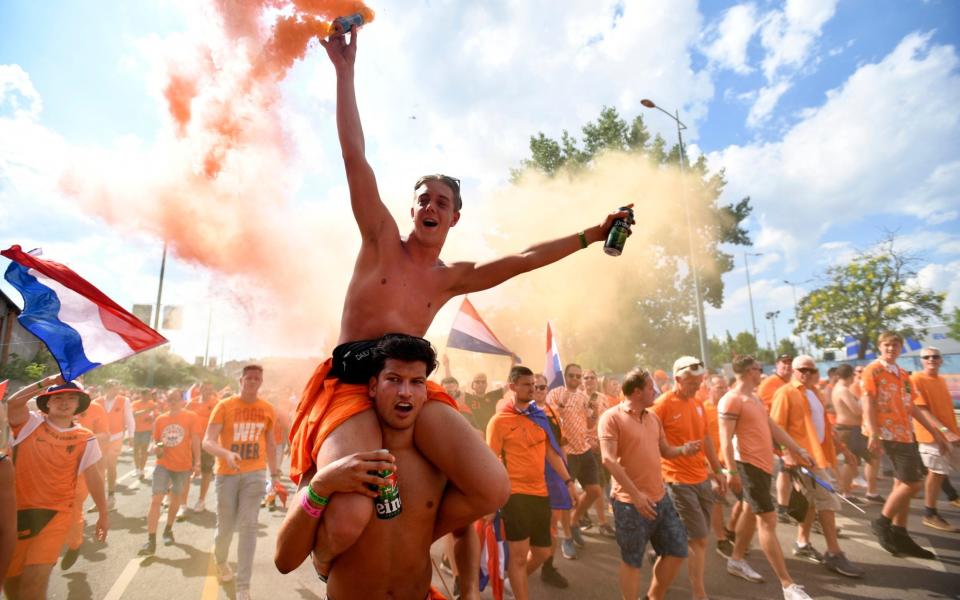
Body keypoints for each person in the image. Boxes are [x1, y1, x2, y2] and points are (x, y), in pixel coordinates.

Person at [287, 27, 632, 597]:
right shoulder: (378, 239)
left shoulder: (453, 277)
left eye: (441, 202)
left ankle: (416, 532)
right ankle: (325, 559)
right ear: (412, 208)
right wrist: (344, 72)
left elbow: (522, 259)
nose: (429, 205)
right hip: (352, 383)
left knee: (491, 486)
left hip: (413, 385)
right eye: (422, 198)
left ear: (453, 220)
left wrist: (592, 235)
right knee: (349, 519)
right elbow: (355, 158)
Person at [278, 334, 471, 599]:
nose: (405, 392)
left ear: (427, 392)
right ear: (372, 387)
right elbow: (284, 561)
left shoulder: (437, 460)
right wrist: (321, 486)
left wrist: (470, 592)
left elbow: (464, 531)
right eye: (393, 380)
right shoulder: (335, 454)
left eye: (416, 382)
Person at [599, 367, 702, 600]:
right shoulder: (611, 417)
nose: (654, 390)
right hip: (629, 503)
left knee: (677, 551)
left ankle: (653, 596)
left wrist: (684, 450)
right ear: (636, 392)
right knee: (632, 560)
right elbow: (607, 459)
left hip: (659, 498)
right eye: (649, 387)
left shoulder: (653, 417)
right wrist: (636, 495)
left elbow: (665, 450)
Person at [717, 356, 815, 600]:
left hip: (762, 467)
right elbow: (725, 440)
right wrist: (730, 471)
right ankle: (787, 585)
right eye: (760, 369)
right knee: (768, 521)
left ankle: (736, 560)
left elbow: (772, 427)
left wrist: (797, 449)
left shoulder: (754, 398)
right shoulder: (731, 399)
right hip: (748, 467)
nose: (763, 373)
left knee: (751, 512)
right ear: (751, 371)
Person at [3, 377, 109, 600]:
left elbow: (94, 477)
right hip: (15, 514)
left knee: (34, 582)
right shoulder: (29, 423)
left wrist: (103, 513)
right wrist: (50, 380)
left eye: (71, 397)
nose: (64, 402)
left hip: (56, 514)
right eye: (58, 397)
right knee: (13, 584)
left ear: (79, 404)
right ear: (47, 403)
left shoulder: (86, 438)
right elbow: (13, 403)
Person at [487, 366, 578, 600]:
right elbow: (490, 462)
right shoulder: (499, 421)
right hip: (514, 494)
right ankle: (520, 592)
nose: (532, 389)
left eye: (535, 385)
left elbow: (552, 453)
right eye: (526, 384)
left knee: (542, 551)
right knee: (518, 556)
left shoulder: (539, 417)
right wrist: (489, 501)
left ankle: (511, 581)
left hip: (540, 492)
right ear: (512, 387)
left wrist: (568, 482)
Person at [770, 356, 864, 577]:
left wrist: (843, 449)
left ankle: (802, 543)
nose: (807, 373)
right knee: (828, 501)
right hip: (802, 458)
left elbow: (825, 426)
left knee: (812, 503)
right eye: (802, 369)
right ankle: (834, 553)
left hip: (817, 456)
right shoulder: (785, 392)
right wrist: (786, 454)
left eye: (811, 370)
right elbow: (774, 427)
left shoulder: (814, 393)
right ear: (794, 371)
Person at [864, 332, 951, 558]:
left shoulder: (903, 375)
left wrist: (937, 434)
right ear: (879, 347)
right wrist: (873, 432)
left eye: (895, 345)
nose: (890, 348)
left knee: (901, 485)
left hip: (905, 434)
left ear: (901, 348)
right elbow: (868, 401)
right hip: (888, 433)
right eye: (886, 345)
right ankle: (882, 523)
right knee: (913, 484)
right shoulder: (873, 370)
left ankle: (900, 533)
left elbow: (911, 407)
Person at [651, 356, 725, 600]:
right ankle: (698, 593)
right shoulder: (662, 405)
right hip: (677, 480)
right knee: (699, 540)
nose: (697, 386)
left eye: (700, 381)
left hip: (701, 478)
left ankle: (661, 571)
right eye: (692, 382)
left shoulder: (698, 404)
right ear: (677, 379)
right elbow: (647, 439)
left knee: (687, 540)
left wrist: (718, 470)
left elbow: (706, 440)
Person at [203, 365, 278, 600]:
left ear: (261, 382)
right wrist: (225, 453)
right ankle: (222, 560)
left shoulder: (267, 409)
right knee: (225, 528)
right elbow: (208, 441)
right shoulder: (225, 406)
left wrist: (274, 475)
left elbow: (272, 444)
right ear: (241, 380)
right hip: (226, 473)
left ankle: (244, 585)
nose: (253, 381)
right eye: (249, 378)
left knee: (249, 527)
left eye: (257, 378)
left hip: (255, 474)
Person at [547, 364, 602, 558]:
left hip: (583, 448)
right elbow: (550, 419)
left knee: (595, 491)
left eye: (579, 376)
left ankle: (574, 521)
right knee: (567, 498)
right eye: (572, 375)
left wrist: (594, 413)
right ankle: (568, 538)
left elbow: (589, 423)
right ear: (565, 376)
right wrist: (560, 406)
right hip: (566, 451)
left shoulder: (582, 396)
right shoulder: (555, 393)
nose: (576, 379)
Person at [139, 389, 202, 555]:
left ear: (182, 400)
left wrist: (198, 462)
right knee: (156, 500)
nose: (172, 402)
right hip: (163, 464)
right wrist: (155, 448)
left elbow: (195, 439)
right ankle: (150, 541)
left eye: (175, 399)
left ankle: (168, 529)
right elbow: (157, 441)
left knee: (175, 499)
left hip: (183, 465)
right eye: (169, 399)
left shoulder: (191, 417)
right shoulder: (161, 419)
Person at [910, 347, 960, 532]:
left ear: (941, 360)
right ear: (921, 360)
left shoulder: (939, 380)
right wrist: (944, 432)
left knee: (941, 473)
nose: (931, 359)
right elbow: (922, 410)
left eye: (935, 356)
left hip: (950, 435)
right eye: (926, 357)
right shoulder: (916, 379)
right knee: (936, 473)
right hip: (931, 436)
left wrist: (954, 431)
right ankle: (930, 514)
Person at [62, 394, 110, 570]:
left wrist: (80, 440)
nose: (65, 400)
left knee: (73, 507)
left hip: (80, 469)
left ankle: (74, 544)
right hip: (51, 473)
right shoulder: (53, 409)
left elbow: (106, 434)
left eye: (72, 396)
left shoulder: (96, 409)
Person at [832, 364, 882, 504]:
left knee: (867, 459)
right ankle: (847, 493)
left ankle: (866, 491)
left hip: (850, 429)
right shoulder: (843, 390)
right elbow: (857, 410)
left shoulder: (839, 389)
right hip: (849, 429)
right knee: (852, 461)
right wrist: (866, 402)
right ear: (850, 375)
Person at [702, 373, 738, 558]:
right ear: (708, 390)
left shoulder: (729, 408)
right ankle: (721, 539)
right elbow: (699, 441)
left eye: (725, 387)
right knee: (716, 498)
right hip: (708, 464)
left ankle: (730, 529)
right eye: (719, 387)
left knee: (745, 498)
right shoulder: (702, 409)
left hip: (729, 462)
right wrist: (711, 468)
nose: (724, 390)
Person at [758, 354, 794, 524]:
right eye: (783, 363)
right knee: (786, 469)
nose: (787, 366)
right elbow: (765, 410)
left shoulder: (791, 382)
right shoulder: (770, 384)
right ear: (777, 365)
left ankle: (789, 506)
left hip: (791, 432)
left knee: (791, 470)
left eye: (789, 363)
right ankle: (783, 508)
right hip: (777, 430)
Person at [582, 368, 615, 537]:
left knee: (599, 486)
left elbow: (608, 422)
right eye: (586, 378)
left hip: (601, 447)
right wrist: (588, 442)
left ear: (596, 380)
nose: (589, 380)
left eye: (592, 378)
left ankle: (583, 516)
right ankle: (601, 522)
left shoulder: (603, 399)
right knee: (595, 487)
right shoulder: (578, 398)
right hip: (584, 448)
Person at [94, 381, 134, 512]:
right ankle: (100, 499)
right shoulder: (97, 402)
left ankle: (111, 496)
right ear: (106, 389)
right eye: (113, 389)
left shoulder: (124, 401)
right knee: (100, 469)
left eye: (117, 388)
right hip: (101, 438)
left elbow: (129, 418)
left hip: (116, 437)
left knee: (111, 465)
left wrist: (131, 435)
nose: (116, 391)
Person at [184, 383, 220, 513]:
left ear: (212, 390)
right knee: (186, 472)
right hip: (191, 442)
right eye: (204, 388)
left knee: (206, 472)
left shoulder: (217, 404)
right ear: (199, 390)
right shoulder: (191, 403)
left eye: (210, 389)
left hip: (207, 443)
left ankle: (201, 500)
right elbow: (183, 419)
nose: (207, 391)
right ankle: (183, 503)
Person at [131, 390, 158, 480]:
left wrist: (152, 418)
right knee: (136, 450)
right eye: (148, 395)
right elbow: (134, 414)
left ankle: (142, 469)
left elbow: (156, 414)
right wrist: (145, 411)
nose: (150, 397)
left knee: (144, 450)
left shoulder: (152, 404)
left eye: (150, 395)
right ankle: (137, 468)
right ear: (142, 395)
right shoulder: (135, 403)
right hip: (136, 430)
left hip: (147, 430)